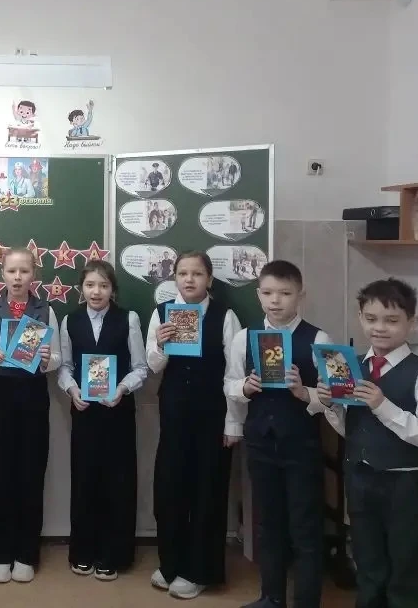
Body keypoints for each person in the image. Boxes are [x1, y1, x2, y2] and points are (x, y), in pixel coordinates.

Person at [315, 278, 418, 608]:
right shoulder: (350, 366)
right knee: (368, 562)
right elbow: (352, 430)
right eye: (371, 318)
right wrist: (331, 405)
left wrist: (383, 406)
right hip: (359, 479)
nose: (379, 328)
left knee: (406, 565)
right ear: (360, 318)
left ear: (412, 322)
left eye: (391, 320)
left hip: (402, 484)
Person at [225, 261, 331, 608]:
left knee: (304, 528)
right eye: (268, 293)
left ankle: (306, 602)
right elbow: (229, 384)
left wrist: (304, 392)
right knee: (268, 525)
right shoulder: (244, 337)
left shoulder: (318, 339)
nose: (276, 301)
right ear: (258, 295)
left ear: (300, 295)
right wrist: (245, 387)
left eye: (285, 293)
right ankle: (271, 598)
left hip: (301, 445)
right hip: (260, 442)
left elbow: (332, 398)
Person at [146, 250, 242, 600]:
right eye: (183, 273)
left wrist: (233, 423)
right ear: (174, 278)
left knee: (207, 491)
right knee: (170, 488)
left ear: (209, 280)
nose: (189, 279)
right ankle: (171, 563)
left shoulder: (224, 315)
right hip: (174, 415)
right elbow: (153, 365)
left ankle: (200, 571)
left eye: (197, 274)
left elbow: (235, 371)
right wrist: (161, 344)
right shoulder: (162, 313)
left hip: (212, 415)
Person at [57, 260, 147, 581]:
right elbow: (64, 366)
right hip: (84, 412)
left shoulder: (128, 319)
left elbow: (141, 367)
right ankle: (82, 551)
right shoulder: (70, 320)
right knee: (84, 481)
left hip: (118, 412)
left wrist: (122, 389)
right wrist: (72, 390)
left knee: (117, 483)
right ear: (81, 288)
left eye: (104, 286)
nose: (97, 292)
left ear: (113, 290)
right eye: (91, 285)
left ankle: (114, 554)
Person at [0, 248, 61, 584]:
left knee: (30, 474)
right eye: (11, 271)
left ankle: (26, 553)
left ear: (33, 275)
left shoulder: (45, 310)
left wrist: (47, 359)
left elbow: (57, 359)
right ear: (2, 274)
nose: (17, 277)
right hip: (0, 397)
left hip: (33, 397)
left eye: (24, 271)